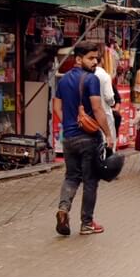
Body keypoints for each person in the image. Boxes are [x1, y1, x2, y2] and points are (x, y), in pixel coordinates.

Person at [54, 43, 113, 236]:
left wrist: (69, 123)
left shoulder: (62, 81)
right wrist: (108, 133)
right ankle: (86, 223)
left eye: (96, 58)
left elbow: (56, 108)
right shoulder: (91, 79)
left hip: (69, 138)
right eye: (90, 58)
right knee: (90, 181)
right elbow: (97, 109)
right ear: (78, 59)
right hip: (88, 138)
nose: (95, 62)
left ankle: (63, 209)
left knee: (71, 176)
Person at [94, 47, 117, 155]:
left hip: (89, 117)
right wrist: (113, 103)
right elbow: (109, 97)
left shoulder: (88, 74)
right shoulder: (105, 76)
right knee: (107, 141)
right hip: (104, 113)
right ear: (102, 60)